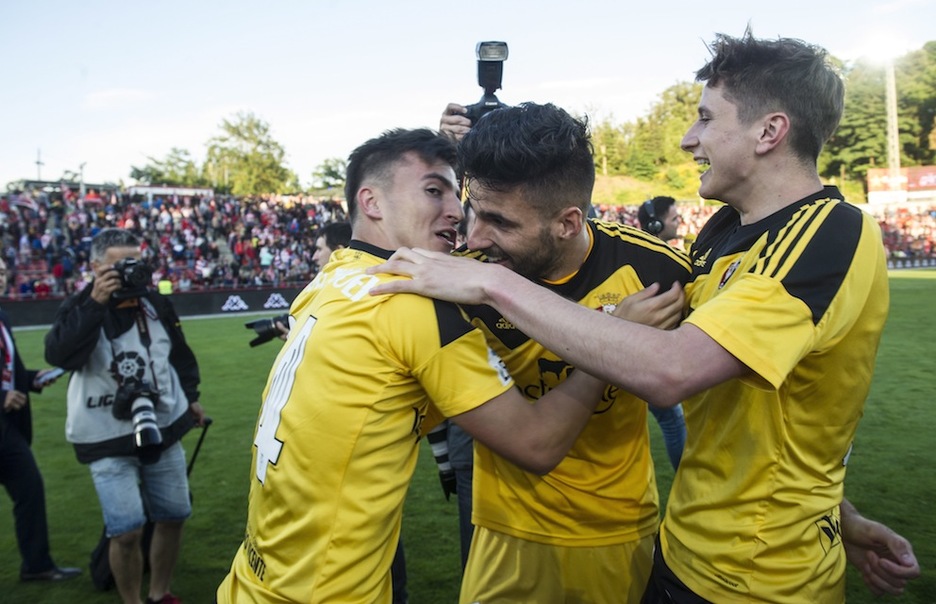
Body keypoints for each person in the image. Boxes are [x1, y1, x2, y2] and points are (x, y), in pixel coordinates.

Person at [371, 31, 921, 601]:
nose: (689, 139)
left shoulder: (827, 230)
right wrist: (841, 513)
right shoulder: (719, 239)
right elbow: (760, 424)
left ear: (769, 131)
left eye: (706, 119)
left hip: (758, 576)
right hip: (681, 550)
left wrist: (492, 283)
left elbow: (674, 370)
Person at [216, 128, 676, 603]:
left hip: (252, 579)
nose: (457, 212)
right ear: (371, 202)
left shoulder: (329, 280)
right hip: (325, 590)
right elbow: (537, 444)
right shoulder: (412, 305)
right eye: (434, 191)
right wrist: (612, 341)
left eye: (456, 195)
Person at [435, 101, 691, 602]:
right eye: (474, 212)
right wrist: (618, 335)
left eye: (499, 222)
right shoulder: (460, 281)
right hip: (503, 535)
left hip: (618, 534)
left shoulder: (657, 272)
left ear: (568, 223)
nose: (476, 238)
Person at [45, 228, 206, 604]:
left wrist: (192, 397)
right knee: (126, 530)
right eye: (119, 265)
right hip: (105, 434)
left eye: (136, 261)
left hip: (163, 425)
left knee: (173, 515)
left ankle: (159, 592)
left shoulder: (154, 301)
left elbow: (179, 354)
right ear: (95, 267)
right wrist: (95, 304)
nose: (129, 271)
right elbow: (59, 355)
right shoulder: (78, 305)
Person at [0, 256, 81, 583]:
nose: (2, 276)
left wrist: (32, 379)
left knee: (29, 490)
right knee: (29, 488)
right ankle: (36, 564)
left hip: (9, 424)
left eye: (4, 271)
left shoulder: (3, 316)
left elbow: (9, 371)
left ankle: (36, 565)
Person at [638, 195, 688, 470]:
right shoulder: (653, 260)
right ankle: (684, 475)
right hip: (649, 356)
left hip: (650, 353)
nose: (678, 222)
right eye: (673, 218)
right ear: (655, 224)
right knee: (672, 420)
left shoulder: (640, 254)